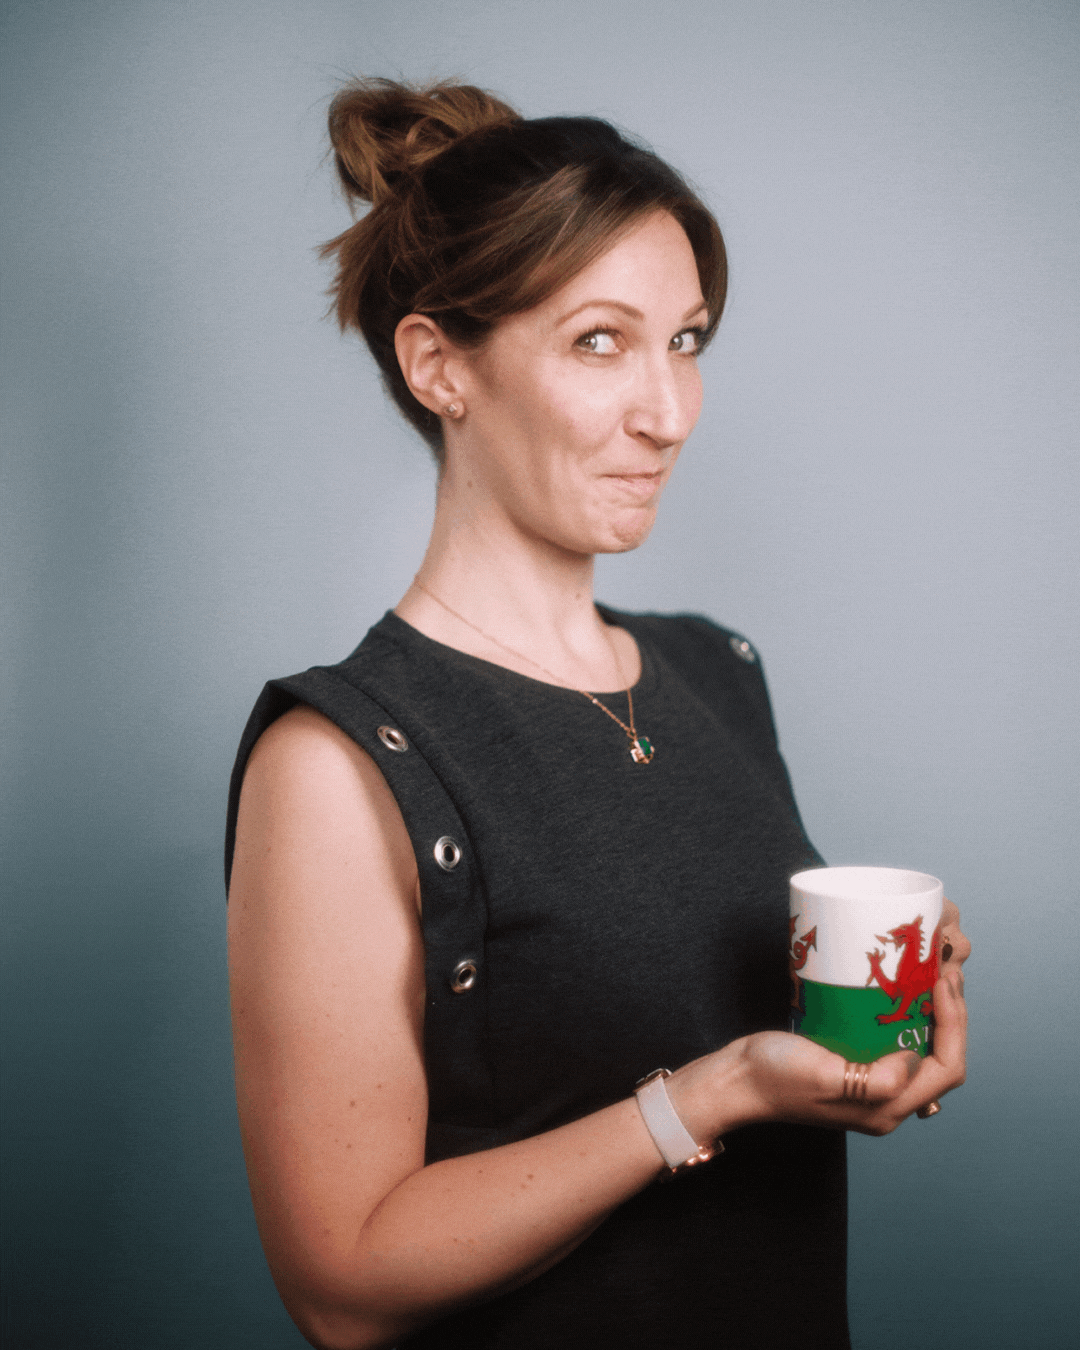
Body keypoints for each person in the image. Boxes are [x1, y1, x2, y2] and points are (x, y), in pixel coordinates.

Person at [225, 79, 970, 1350]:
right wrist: (711, 1097)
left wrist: (887, 991)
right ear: (438, 366)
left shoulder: (715, 669)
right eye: (598, 343)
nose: (667, 414)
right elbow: (342, 1285)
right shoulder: (339, 763)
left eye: (685, 341)